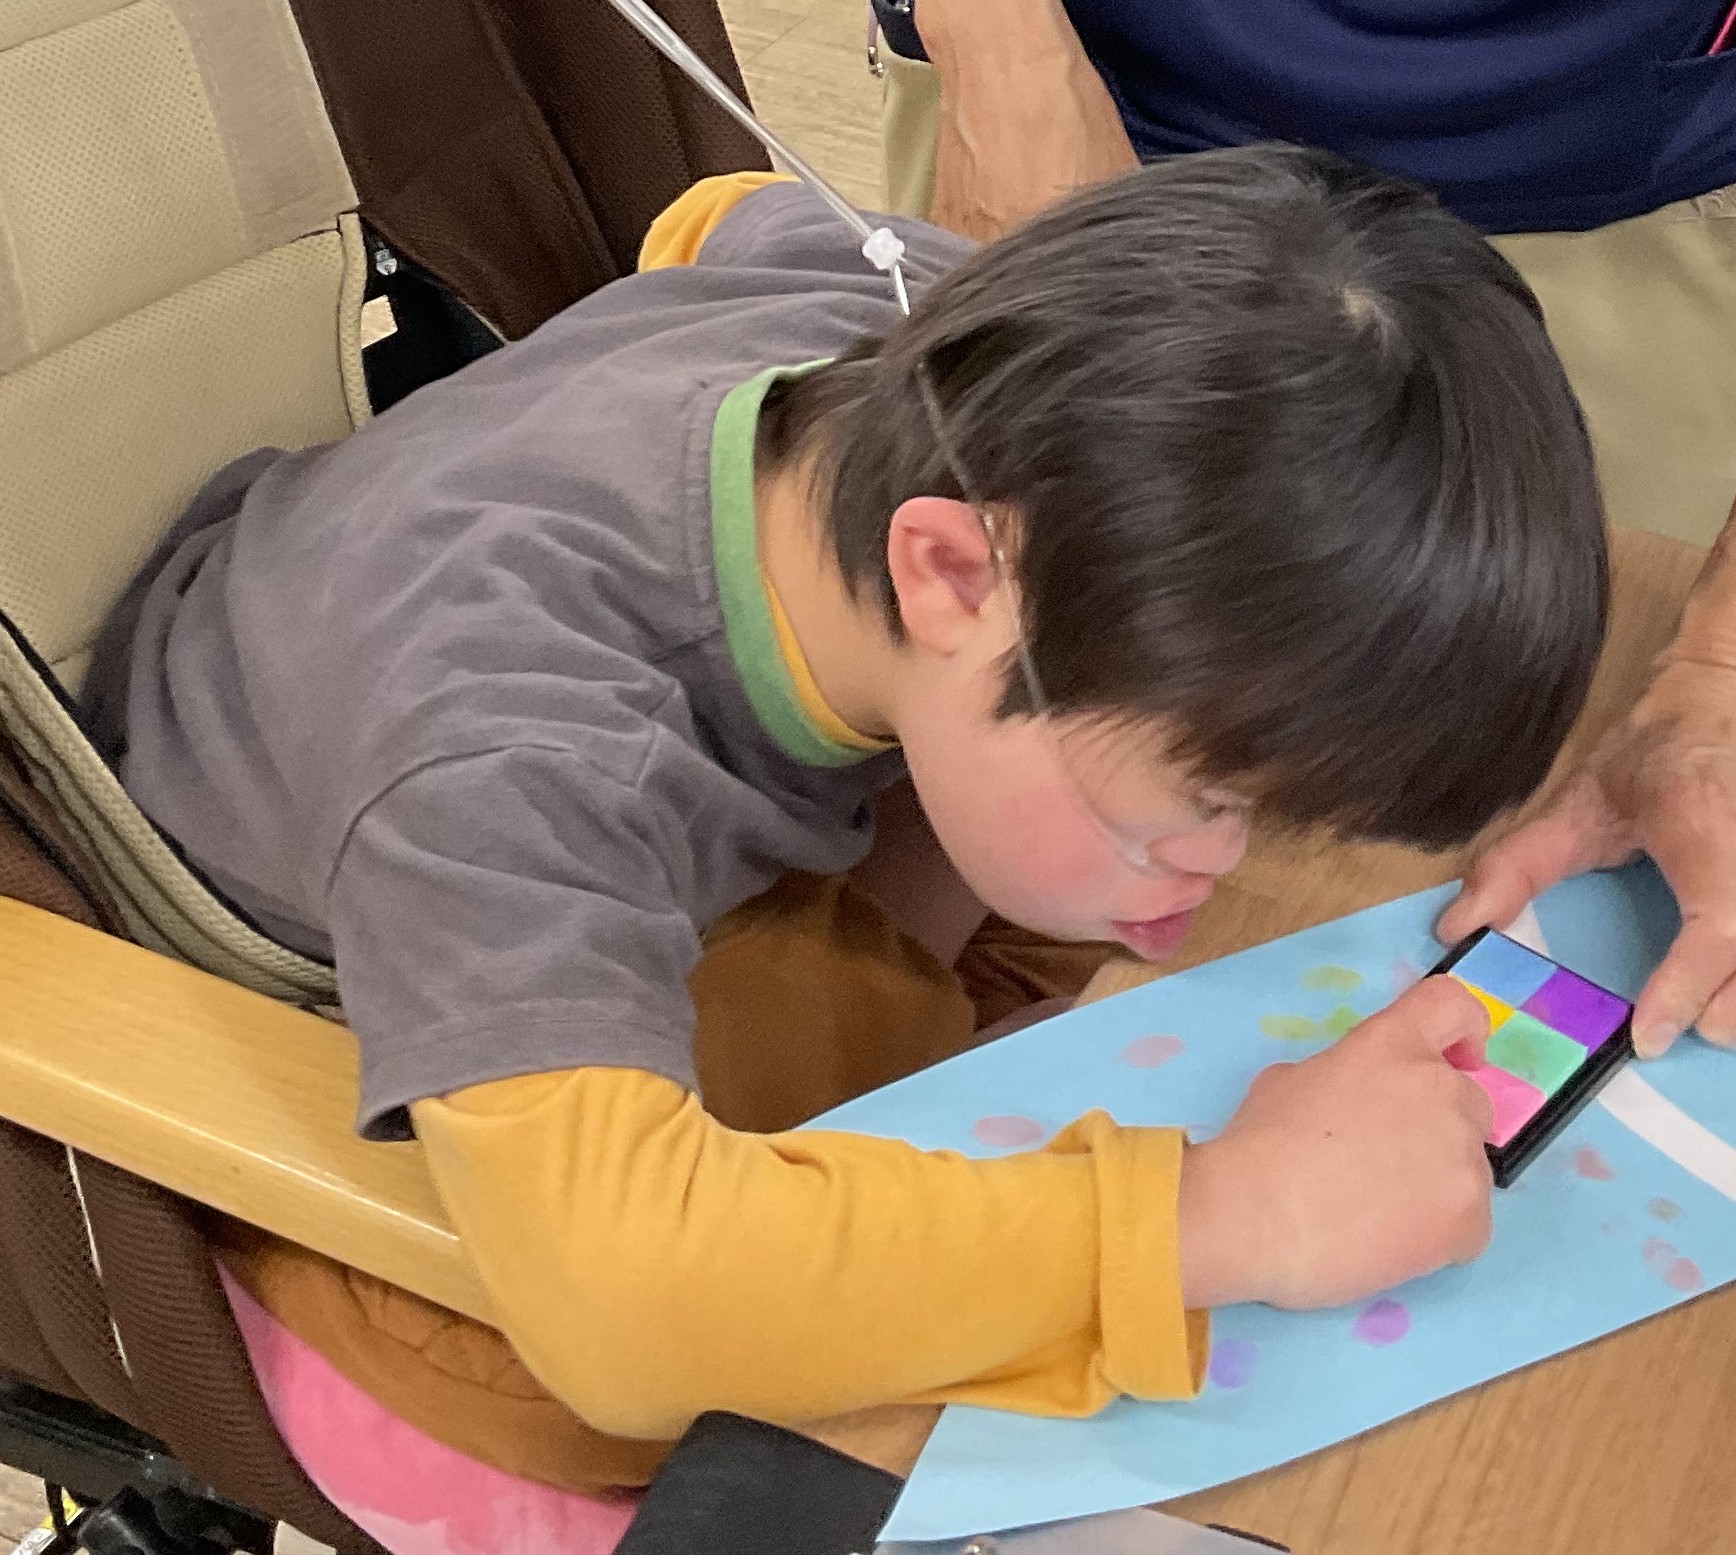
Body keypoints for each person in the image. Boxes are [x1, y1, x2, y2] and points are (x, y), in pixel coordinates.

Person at [83, 148, 1606, 1544]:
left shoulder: (914, 317)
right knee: (622, 1417)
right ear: (948, 568)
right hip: (288, 986)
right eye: (1205, 798)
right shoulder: (512, 751)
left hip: (489, 764)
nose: (1225, 857)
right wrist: (1225, 1216)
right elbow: (628, 1307)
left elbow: (715, 211)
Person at [875, 0, 1736, 1057]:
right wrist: (1006, 58)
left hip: (1620, 154)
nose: (1218, 851)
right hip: (1081, 106)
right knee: (954, 833)